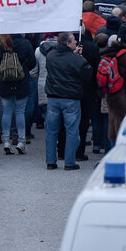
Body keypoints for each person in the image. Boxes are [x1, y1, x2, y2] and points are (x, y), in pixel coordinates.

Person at [44, 32, 90, 170]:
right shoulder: (76, 59)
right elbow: (87, 74)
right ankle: (69, 162)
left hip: (53, 98)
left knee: (51, 131)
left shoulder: (50, 56)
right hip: (70, 99)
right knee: (72, 132)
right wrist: (78, 56)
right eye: (74, 41)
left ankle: (50, 161)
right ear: (68, 43)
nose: (76, 42)